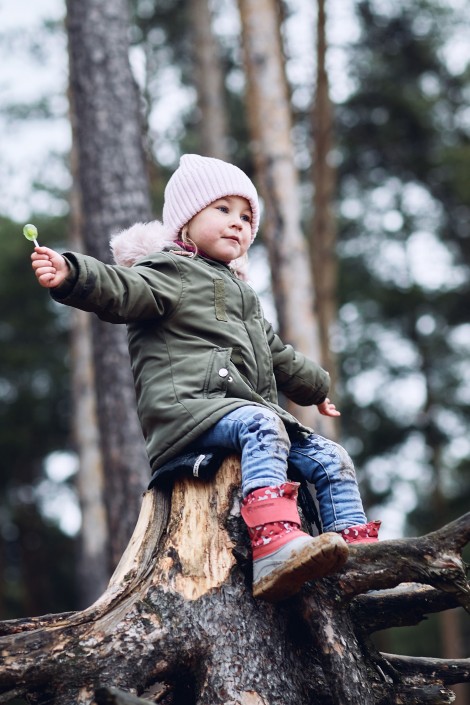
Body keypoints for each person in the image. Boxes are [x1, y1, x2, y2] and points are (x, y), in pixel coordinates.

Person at [31, 154, 380, 602]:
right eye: (222, 210)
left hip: (236, 410)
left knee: (332, 456)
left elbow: (276, 352)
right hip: (192, 411)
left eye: (246, 216)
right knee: (264, 424)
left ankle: (361, 565)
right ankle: (274, 542)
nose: (238, 223)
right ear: (185, 223)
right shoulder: (168, 271)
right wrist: (72, 273)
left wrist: (318, 388)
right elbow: (122, 291)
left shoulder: (243, 294)